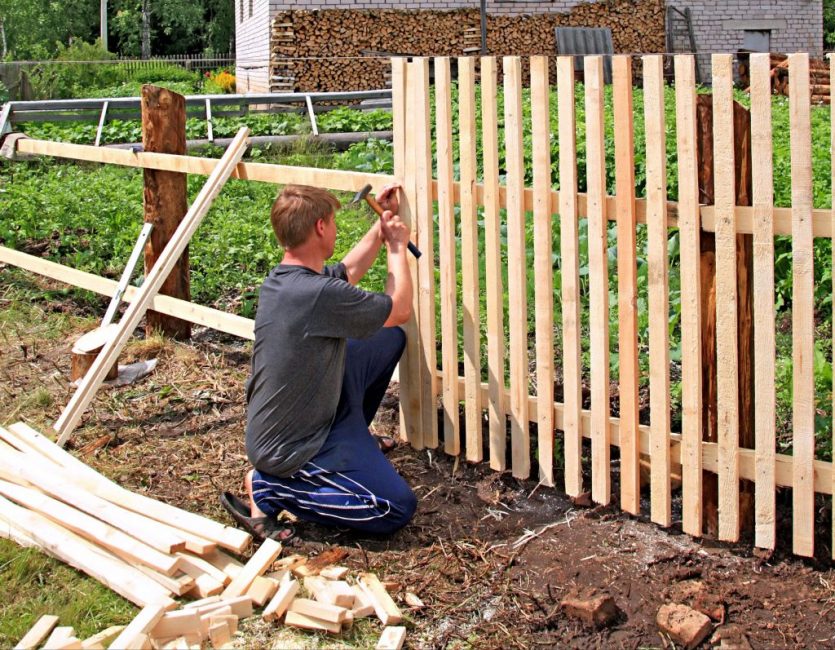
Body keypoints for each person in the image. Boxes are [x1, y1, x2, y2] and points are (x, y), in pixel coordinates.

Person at [221, 183, 417, 541]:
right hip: (292, 447)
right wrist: (397, 247)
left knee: (386, 338)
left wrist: (379, 227)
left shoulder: (289, 281)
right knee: (394, 508)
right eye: (333, 221)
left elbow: (349, 271)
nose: (336, 228)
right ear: (321, 228)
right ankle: (269, 489)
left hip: (314, 416)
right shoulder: (316, 295)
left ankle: (354, 437)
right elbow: (400, 307)